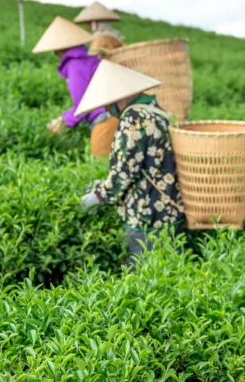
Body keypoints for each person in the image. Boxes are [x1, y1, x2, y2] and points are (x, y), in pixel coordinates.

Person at [76, 60, 184, 270]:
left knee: (142, 276)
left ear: (120, 97)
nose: (107, 109)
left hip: (145, 214)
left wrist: (98, 195)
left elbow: (124, 171)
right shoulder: (157, 112)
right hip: (170, 209)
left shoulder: (133, 118)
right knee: (172, 274)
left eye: (108, 102)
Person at [32, 16, 118, 156]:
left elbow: (83, 105)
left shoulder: (76, 64)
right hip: (113, 114)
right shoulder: (87, 57)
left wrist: (63, 121)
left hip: (105, 119)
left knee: (101, 167)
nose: (54, 53)